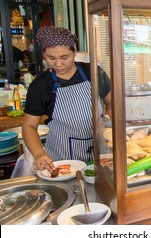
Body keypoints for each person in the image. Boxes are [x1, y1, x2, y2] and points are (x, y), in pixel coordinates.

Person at [22, 26, 111, 174]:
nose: (58, 64)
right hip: (62, 161)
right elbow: (29, 126)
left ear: (74, 52)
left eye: (64, 57)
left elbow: (111, 103)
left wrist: (116, 130)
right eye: (51, 58)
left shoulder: (93, 72)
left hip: (100, 154)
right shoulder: (40, 86)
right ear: (44, 55)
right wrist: (39, 154)